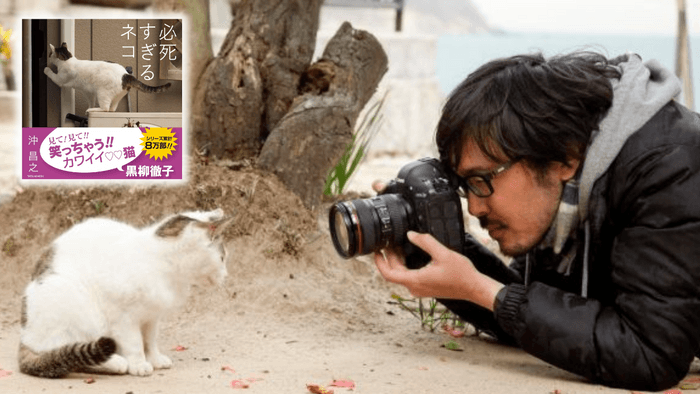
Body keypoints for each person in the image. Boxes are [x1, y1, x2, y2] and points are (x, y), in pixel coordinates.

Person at [373, 51, 700, 391]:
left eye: (482, 179)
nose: (473, 207)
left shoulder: (669, 167)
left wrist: (481, 289)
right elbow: (544, 314)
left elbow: (651, 354)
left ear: (563, 157)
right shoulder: (570, 190)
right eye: (464, 186)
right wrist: (432, 243)